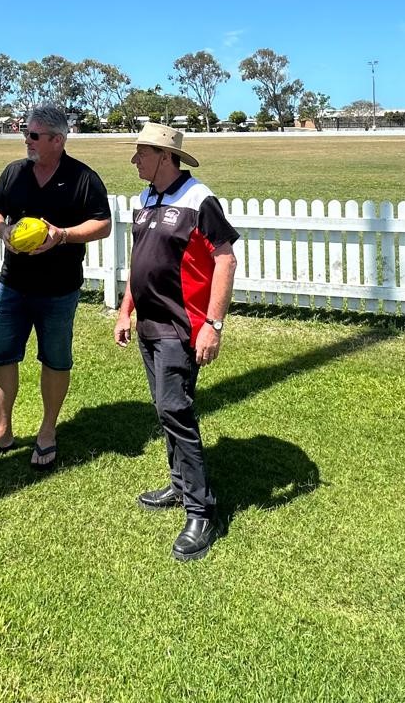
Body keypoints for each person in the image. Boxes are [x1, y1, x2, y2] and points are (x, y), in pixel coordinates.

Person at [0, 104, 111, 471]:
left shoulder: (83, 178)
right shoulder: (15, 173)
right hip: (12, 285)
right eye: (25, 132)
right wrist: (3, 231)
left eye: (33, 135)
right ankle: (2, 429)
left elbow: (103, 224)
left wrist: (62, 236)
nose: (25, 140)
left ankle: (47, 431)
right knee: (0, 355)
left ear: (58, 140)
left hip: (59, 290)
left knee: (55, 360)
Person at [113, 122, 238, 562]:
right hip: (147, 323)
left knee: (175, 409)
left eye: (140, 153)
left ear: (164, 156)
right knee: (165, 409)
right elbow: (140, 261)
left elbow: (226, 258)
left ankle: (201, 510)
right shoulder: (145, 198)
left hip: (182, 326)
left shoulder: (199, 199)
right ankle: (179, 483)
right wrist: (126, 309)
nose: (134, 160)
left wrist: (214, 324)